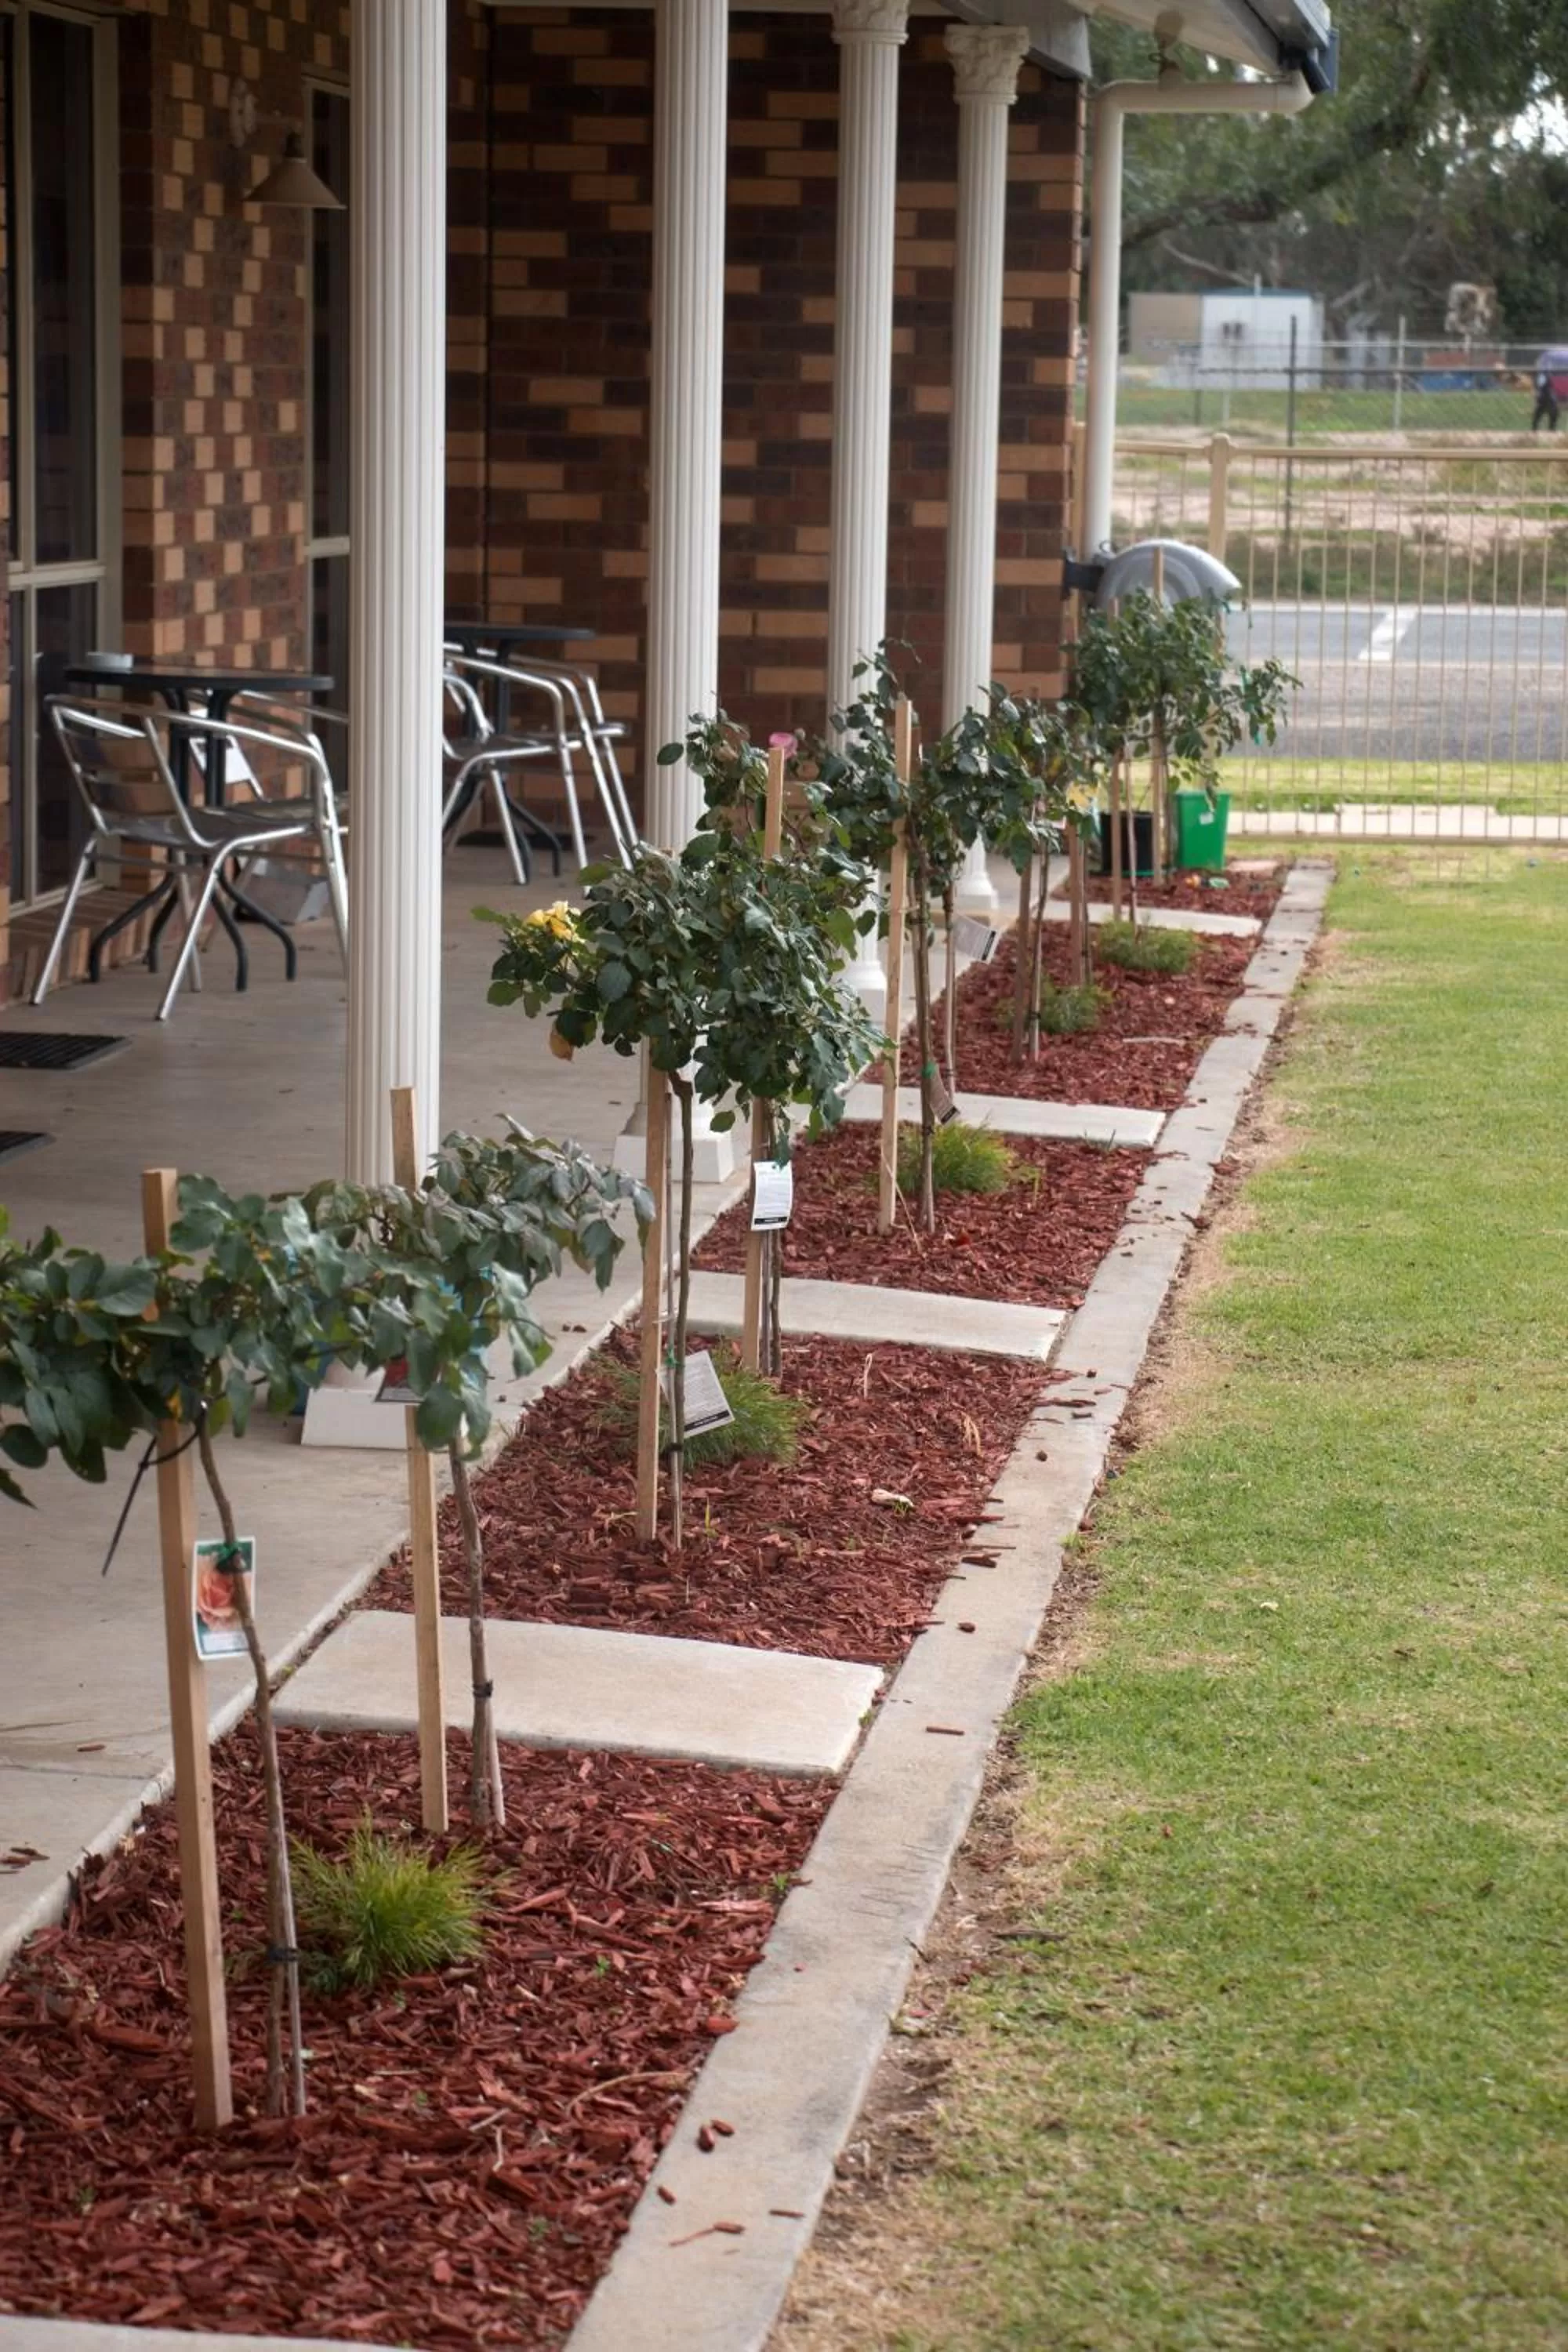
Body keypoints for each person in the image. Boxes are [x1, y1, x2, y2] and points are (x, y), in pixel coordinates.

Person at [1531, 359, 1559, 432]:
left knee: (1551, 411)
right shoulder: (1542, 374)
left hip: (1547, 394)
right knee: (1542, 410)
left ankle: (1550, 428)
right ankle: (1536, 428)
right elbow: (1541, 384)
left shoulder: (1545, 374)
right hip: (1545, 395)